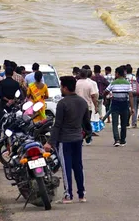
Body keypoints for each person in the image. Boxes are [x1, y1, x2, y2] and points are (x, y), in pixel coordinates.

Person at [44, 76, 91, 204]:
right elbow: (86, 122)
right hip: (77, 138)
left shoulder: (62, 103)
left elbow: (57, 125)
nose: (60, 89)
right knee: (78, 167)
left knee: (66, 168)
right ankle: (81, 195)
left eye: (61, 86)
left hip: (65, 140)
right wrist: (87, 134)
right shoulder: (82, 102)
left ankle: (68, 195)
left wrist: (50, 142)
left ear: (65, 88)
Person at [104, 67, 134, 147]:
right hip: (124, 104)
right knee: (123, 124)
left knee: (115, 123)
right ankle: (123, 140)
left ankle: (116, 140)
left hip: (115, 104)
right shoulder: (127, 83)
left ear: (117, 73)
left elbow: (105, 91)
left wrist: (105, 99)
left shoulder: (113, 83)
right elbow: (130, 96)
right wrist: (132, 107)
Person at [75, 69, 100, 145]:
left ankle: (80, 138)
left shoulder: (76, 83)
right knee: (87, 122)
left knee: (79, 123)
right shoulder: (89, 84)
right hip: (87, 106)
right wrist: (96, 106)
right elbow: (93, 96)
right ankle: (88, 136)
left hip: (77, 106)